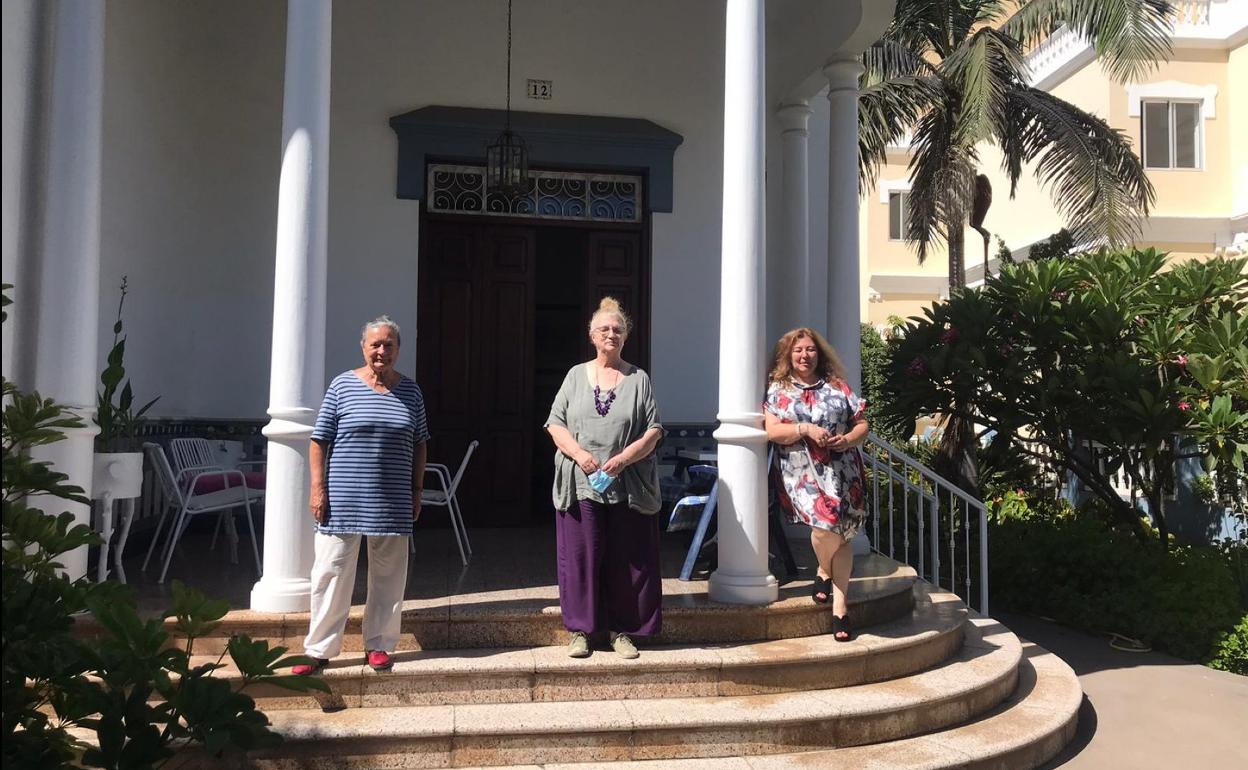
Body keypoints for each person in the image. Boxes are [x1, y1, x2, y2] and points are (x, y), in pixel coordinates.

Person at [292, 316, 430, 675]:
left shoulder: (411, 392)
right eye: (375, 344)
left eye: (389, 344)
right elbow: (319, 440)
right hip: (343, 499)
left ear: (399, 349)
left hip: (393, 500)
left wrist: (417, 490)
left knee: (388, 576)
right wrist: (317, 488)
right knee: (331, 572)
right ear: (363, 347)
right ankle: (319, 649)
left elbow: (420, 444)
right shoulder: (342, 386)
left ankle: (380, 645)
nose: (382, 350)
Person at [544, 297, 665, 659]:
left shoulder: (638, 378)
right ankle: (581, 631)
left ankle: (622, 630)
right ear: (592, 336)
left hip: (627, 483)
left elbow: (654, 430)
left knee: (625, 558)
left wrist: (625, 458)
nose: (611, 334)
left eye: (618, 330)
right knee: (581, 557)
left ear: (625, 337)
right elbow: (555, 423)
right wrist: (580, 455)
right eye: (605, 329)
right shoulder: (574, 375)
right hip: (581, 481)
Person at [763, 328, 869, 642]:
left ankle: (840, 606)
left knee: (842, 533)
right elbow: (772, 431)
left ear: (819, 353)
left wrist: (848, 438)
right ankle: (823, 570)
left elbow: (862, 421)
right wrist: (806, 428)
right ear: (787, 355)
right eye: (798, 350)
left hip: (843, 469)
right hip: (801, 471)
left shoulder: (837, 385)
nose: (804, 356)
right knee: (825, 527)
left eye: (810, 350)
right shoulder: (778, 389)